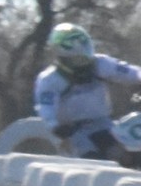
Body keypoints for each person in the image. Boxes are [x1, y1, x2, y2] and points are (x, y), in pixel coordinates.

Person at [34, 23, 141, 167]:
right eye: (78, 59)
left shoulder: (100, 63)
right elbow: (46, 107)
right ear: (62, 57)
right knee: (92, 161)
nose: (84, 63)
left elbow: (129, 72)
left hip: (103, 123)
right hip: (73, 132)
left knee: (125, 156)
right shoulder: (50, 79)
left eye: (85, 57)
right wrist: (55, 126)